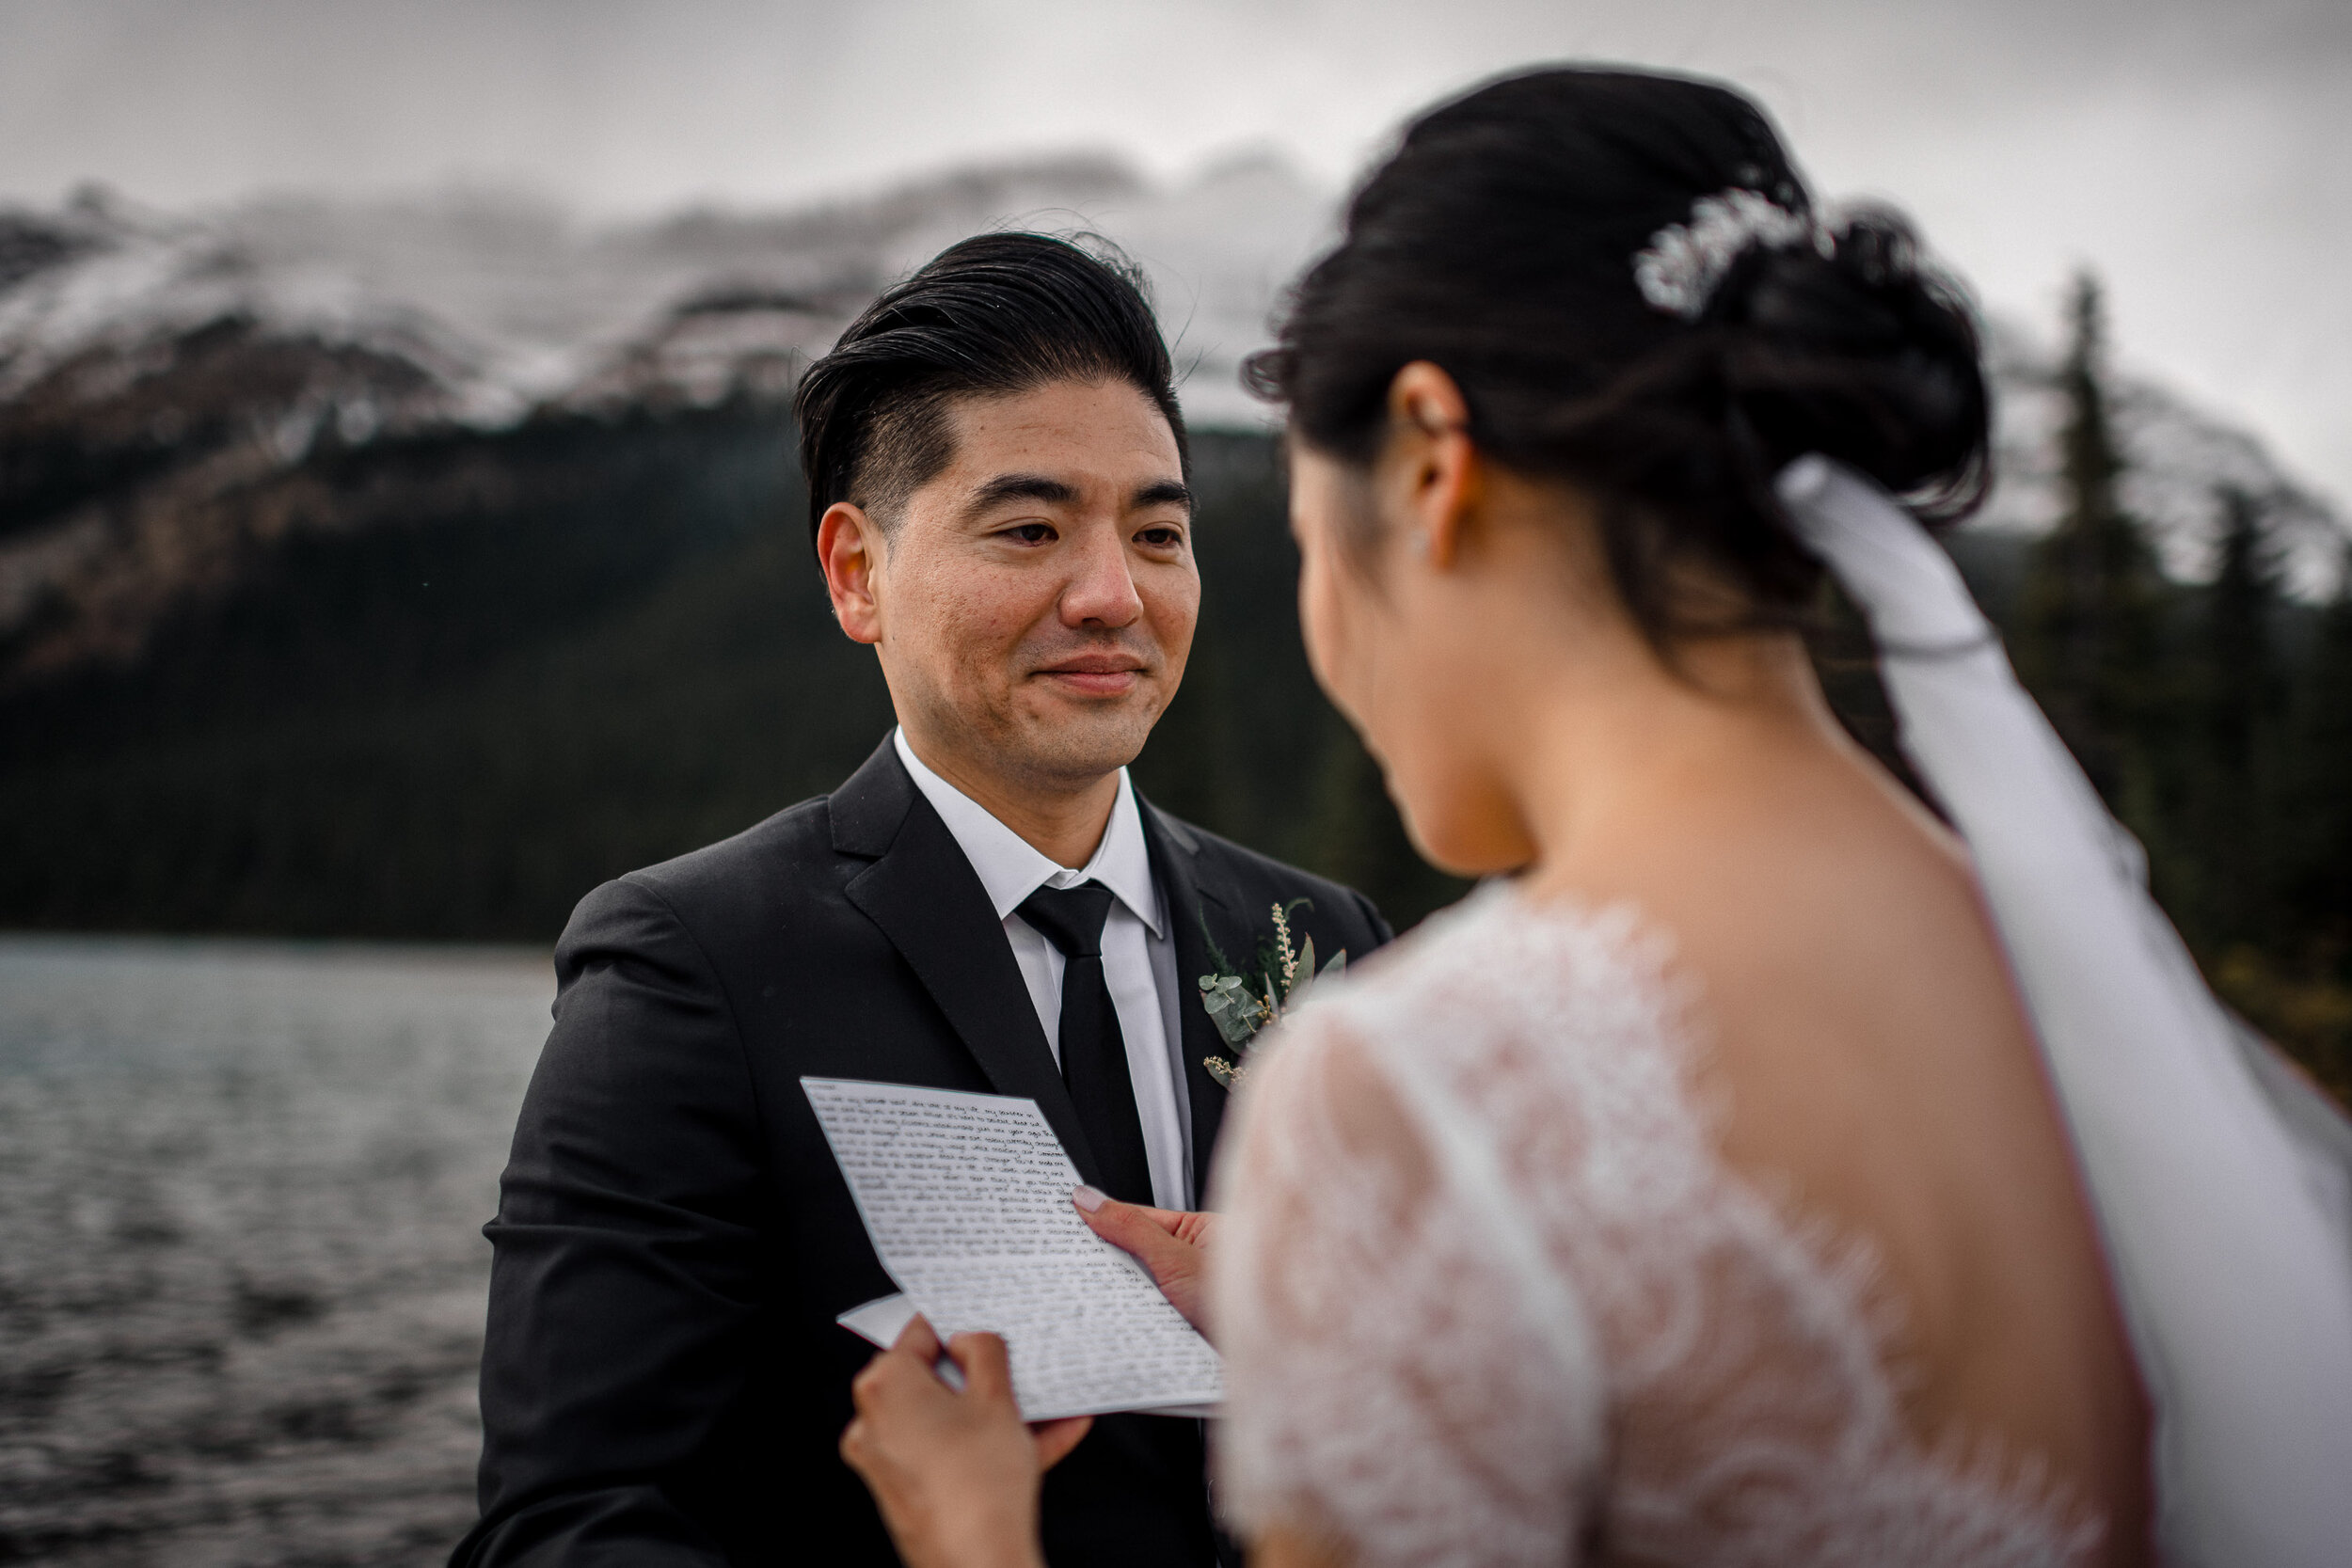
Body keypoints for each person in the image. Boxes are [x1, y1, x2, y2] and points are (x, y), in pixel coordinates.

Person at [833, 66, 2185, 1568]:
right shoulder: (2080, 973)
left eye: (1292, 537)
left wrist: (974, 1541)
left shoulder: (1421, 1090)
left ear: (1429, 463)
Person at [450, 232, 1391, 1568]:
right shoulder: (691, 966)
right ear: (857, 573)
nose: (1114, 594)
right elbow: (570, 1530)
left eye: (1159, 533)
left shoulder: (1329, 946)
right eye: (1029, 529)